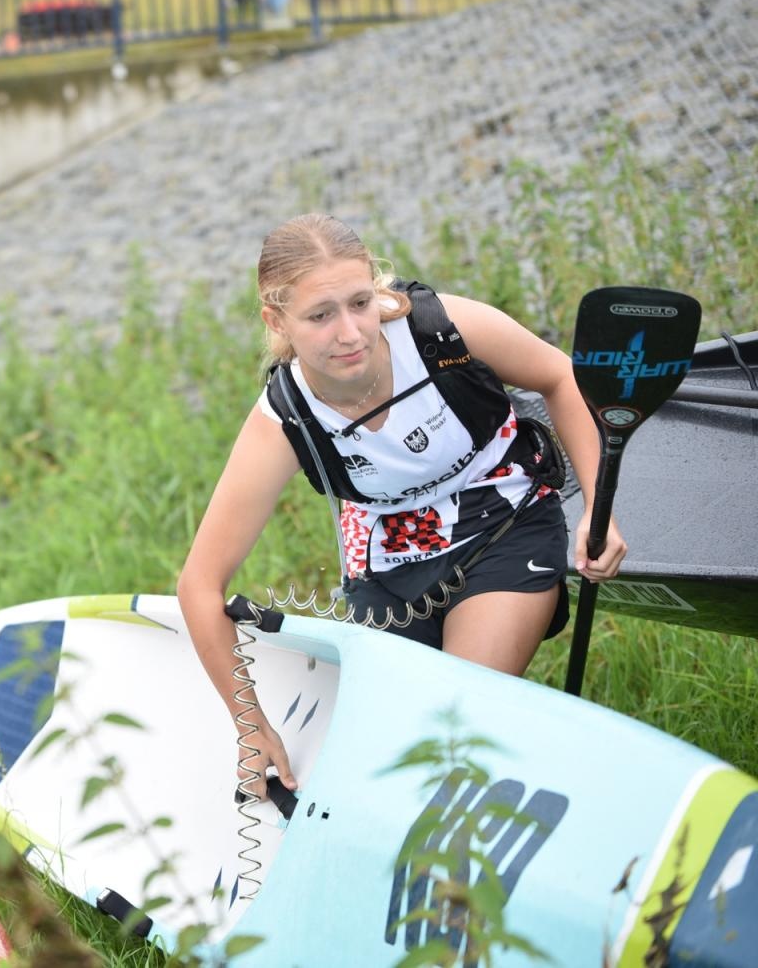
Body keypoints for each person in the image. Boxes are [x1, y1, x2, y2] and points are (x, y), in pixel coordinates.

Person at [175, 214, 628, 797]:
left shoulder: (439, 330)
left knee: (455, 731)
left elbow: (560, 378)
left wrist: (599, 505)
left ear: (378, 290)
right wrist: (250, 724)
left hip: (506, 522)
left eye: (360, 303)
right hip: (389, 566)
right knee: (386, 762)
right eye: (320, 315)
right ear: (277, 321)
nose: (350, 334)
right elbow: (199, 585)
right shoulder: (284, 418)